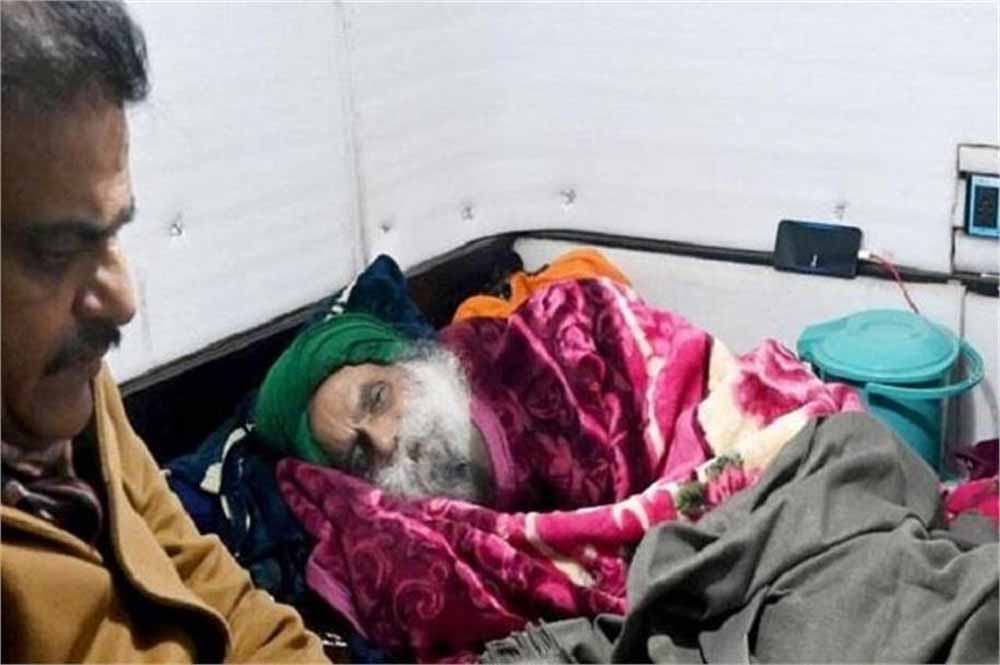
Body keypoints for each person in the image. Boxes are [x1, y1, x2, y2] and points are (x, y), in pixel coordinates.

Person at [1, 2, 329, 661]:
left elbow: (208, 582)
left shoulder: (62, 388)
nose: (123, 301)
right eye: (58, 250)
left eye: (114, 232)